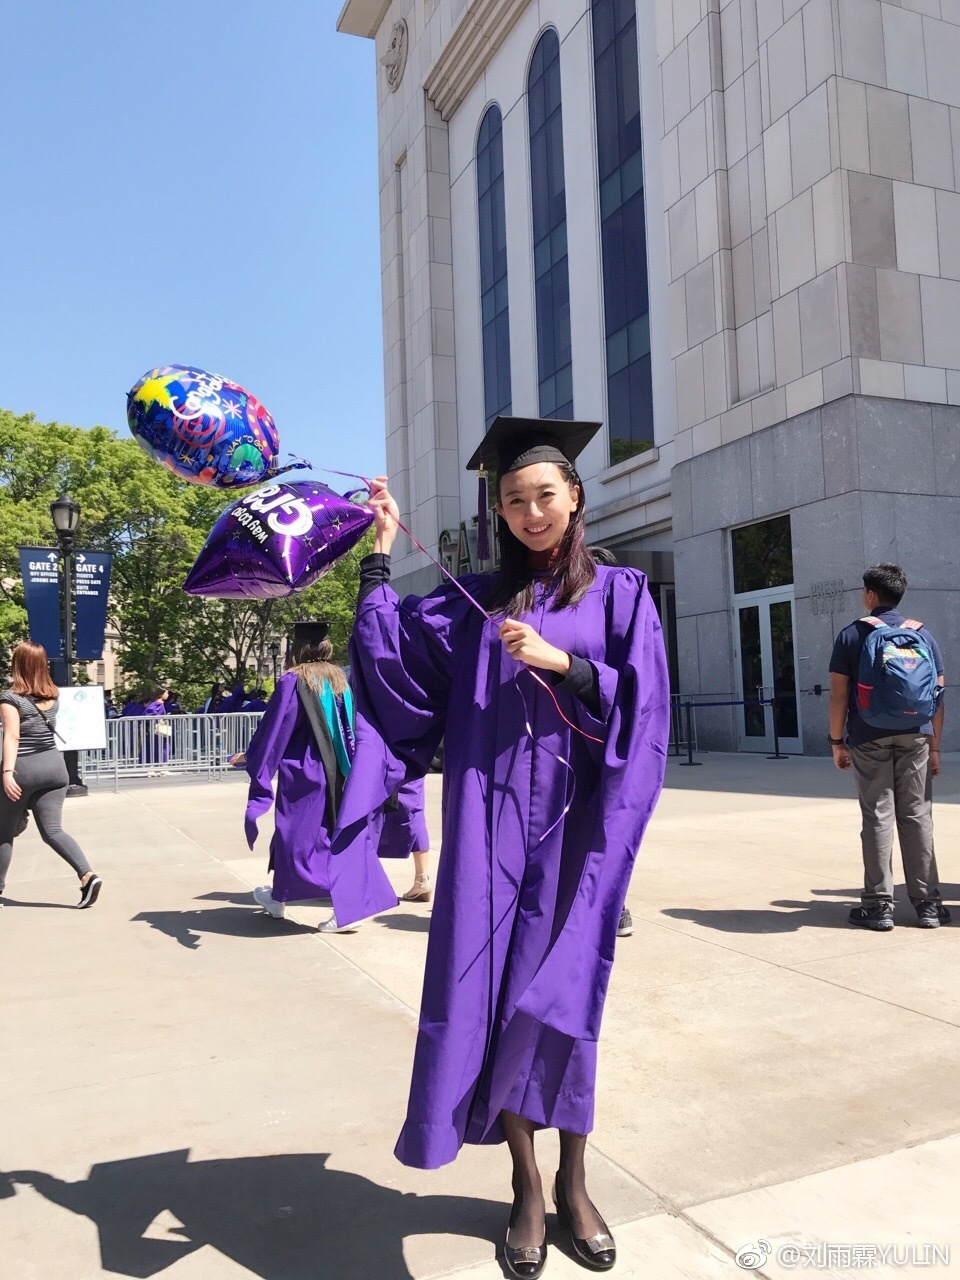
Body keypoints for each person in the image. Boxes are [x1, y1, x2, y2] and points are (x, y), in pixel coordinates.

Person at [343, 416, 669, 1278]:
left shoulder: (625, 593)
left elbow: (645, 711)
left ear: (576, 499)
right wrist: (380, 552)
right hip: (490, 829)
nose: (531, 512)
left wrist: (568, 666)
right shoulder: (475, 598)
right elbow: (393, 660)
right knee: (496, 999)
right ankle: (527, 1185)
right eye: (515, 500)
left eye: (545, 496)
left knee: (567, 1003)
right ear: (500, 510)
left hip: (578, 832)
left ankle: (575, 1179)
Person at [239, 623, 397, 936]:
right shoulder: (343, 680)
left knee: (298, 838)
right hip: (343, 770)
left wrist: (254, 755)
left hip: (307, 774)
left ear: (296, 649)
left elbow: (277, 728)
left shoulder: (292, 681)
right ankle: (278, 897)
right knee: (330, 835)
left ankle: (346, 909)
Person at [829, 563, 950, 931]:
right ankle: (928, 906)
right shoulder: (923, 636)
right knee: (916, 816)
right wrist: (934, 748)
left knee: (878, 816)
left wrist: (837, 742)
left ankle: (879, 907)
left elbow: (838, 695)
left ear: (870, 595)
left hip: (868, 737)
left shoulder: (853, 636)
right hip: (916, 734)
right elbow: (939, 697)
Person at [0, 641, 102, 909]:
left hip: (24, 770)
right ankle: (87, 875)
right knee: (53, 831)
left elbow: (12, 735)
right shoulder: (52, 696)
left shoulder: (10, 699)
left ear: (18, 665)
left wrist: (7, 772)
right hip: (56, 769)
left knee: (4, 833)